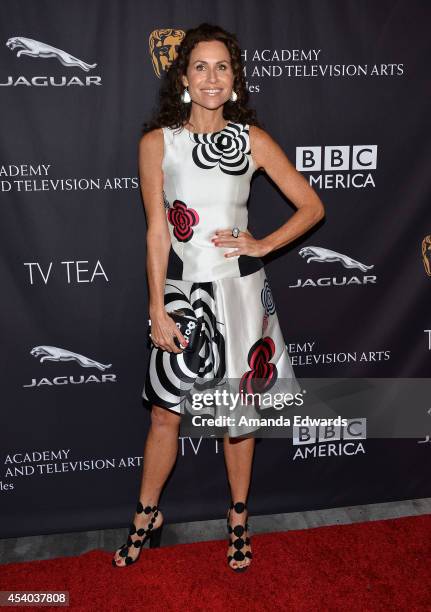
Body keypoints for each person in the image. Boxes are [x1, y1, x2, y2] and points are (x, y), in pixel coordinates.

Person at [112, 22, 325, 572]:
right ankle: (146, 514)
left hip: (242, 293)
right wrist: (157, 305)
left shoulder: (251, 139)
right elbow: (157, 231)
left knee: (239, 414)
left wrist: (262, 244)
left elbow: (311, 206)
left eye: (222, 67)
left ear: (235, 79)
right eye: (200, 67)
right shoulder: (158, 143)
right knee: (165, 413)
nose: (212, 77)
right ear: (183, 77)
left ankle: (237, 518)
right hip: (184, 294)